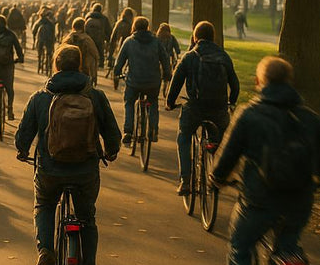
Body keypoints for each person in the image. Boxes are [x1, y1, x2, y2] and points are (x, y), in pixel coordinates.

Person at [210, 56, 320, 265]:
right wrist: (312, 187)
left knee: (240, 247)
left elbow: (227, 157)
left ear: (259, 82)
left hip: (258, 201)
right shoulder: (311, 118)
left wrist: (216, 178)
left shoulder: (249, 114)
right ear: (290, 83)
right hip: (298, 203)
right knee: (288, 247)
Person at [15, 44, 120, 265]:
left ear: (56, 65)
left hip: (50, 170)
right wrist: (111, 151)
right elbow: (113, 133)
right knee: (87, 219)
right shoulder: (95, 96)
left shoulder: (40, 97)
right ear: (81, 65)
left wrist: (23, 151)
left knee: (44, 204)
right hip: (85, 171)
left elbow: (23, 135)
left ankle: (46, 252)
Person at [166, 21, 240, 195]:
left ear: (195, 37)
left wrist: (170, 102)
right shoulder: (223, 56)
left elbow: (176, 82)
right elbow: (235, 85)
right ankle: (219, 175)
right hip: (218, 109)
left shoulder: (190, 56)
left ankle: (185, 181)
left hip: (195, 108)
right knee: (221, 142)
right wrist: (231, 101)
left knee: (183, 138)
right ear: (213, 37)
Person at [113, 16, 171, 144]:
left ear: (134, 27)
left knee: (129, 102)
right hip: (153, 82)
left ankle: (128, 131)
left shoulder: (129, 42)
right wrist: (167, 74)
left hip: (134, 81)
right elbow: (165, 59)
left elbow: (120, 61)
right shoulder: (156, 41)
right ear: (147, 27)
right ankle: (153, 131)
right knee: (153, 103)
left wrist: (116, 74)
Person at [63, 17, 100, 84]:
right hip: (84, 71)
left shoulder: (67, 39)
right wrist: (94, 76)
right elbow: (95, 56)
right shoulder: (87, 39)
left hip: (67, 71)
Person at [33, 8, 56, 72]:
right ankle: (48, 63)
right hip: (48, 41)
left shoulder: (38, 22)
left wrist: (35, 37)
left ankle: (39, 58)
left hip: (40, 41)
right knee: (49, 52)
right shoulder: (50, 23)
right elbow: (53, 34)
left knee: (40, 51)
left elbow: (33, 31)